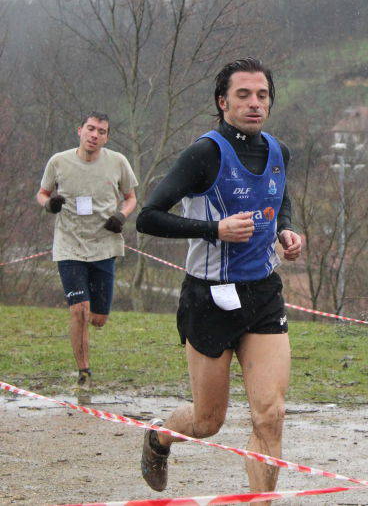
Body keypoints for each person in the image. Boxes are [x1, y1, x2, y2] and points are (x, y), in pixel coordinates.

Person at [135, 57, 303, 496]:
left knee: (271, 414)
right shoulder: (204, 153)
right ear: (222, 101)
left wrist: (285, 229)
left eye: (262, 95)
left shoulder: (278, 151)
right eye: (243, 94)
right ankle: (159, 437)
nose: (254, 103)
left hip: (264, 293)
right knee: (208, 422)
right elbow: (148, 217)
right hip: (209, 296)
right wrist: (214, 229)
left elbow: (278, 198)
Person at [36, 113, 138, 388]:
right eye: (90, 129)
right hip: (69, 244)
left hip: (104, 244)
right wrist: (50, 204)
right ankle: (84, 370)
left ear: (107, 137)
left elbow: (131, 198)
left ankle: (96, 320)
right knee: (79, 310)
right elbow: (42, 193)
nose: (95, 135)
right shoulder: (59, 161)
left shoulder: (117, 162)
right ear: (79, 130)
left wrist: (121, 216)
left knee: (98, 319)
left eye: (101, 131)